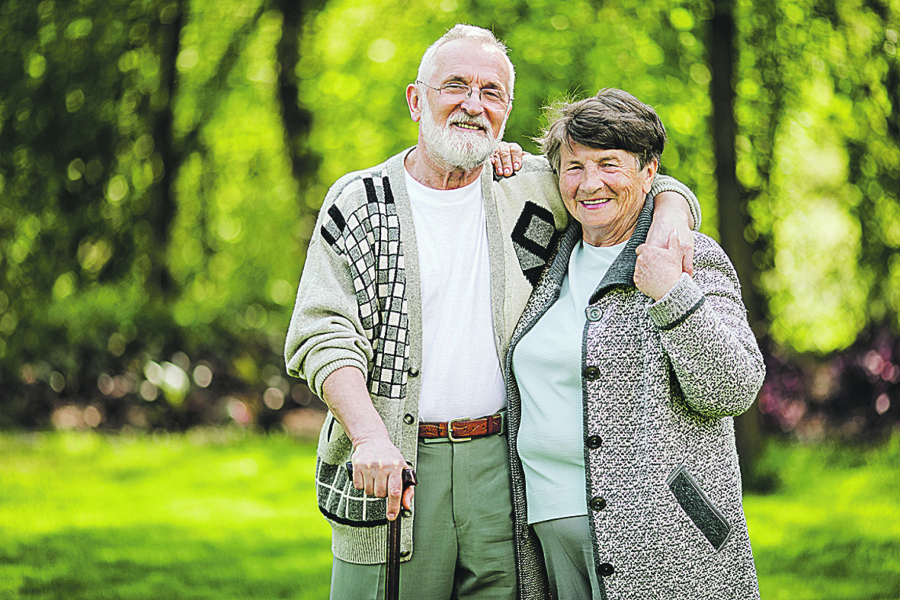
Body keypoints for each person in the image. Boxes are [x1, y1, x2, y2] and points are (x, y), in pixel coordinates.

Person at [284, 25, 702, 600]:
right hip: (391, 464)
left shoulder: (531, 187)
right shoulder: (360, 200)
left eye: (492, 92)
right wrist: (369, 438)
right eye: (455, 86)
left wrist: (677, 212)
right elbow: (321, 332)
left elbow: (633, 179)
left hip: (502, 468)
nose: (473, 104)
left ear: (506, 111)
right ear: (415, 100)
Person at [505, 88, 765, 599]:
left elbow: (734, 388)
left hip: (662, 538)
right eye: (574, 167)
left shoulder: (686, 255)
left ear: (649, 173)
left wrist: (672, 292)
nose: (590, 182)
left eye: (609, 164)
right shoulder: (548, 254)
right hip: (549, 529)